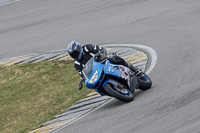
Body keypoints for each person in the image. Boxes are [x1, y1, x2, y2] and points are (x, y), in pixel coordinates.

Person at [67, 40, 143, 78]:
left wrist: (100, 55)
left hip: (104, 62)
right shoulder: (76, 64)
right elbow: (83, 75)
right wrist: (84, 79)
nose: (75, 55)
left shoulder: (87, 47)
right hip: (96, 73)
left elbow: (102, 49)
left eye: (75, 53)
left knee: (114, 58)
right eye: (73, 55)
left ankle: (135, 70)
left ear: (79, 48)